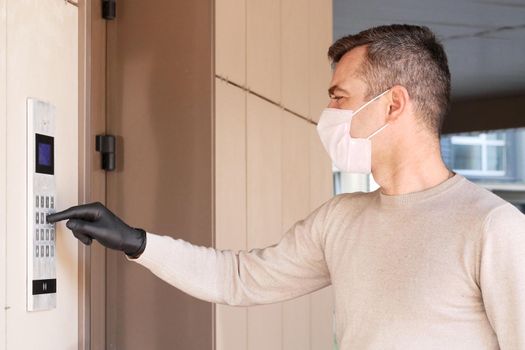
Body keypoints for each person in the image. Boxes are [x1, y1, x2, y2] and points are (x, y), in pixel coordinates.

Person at [47, 24, 525, 349]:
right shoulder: (342, 219)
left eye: (340, 98)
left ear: (393, 105)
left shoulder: (492, 227)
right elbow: (237, 279)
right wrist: (135, 242)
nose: (329, 115)